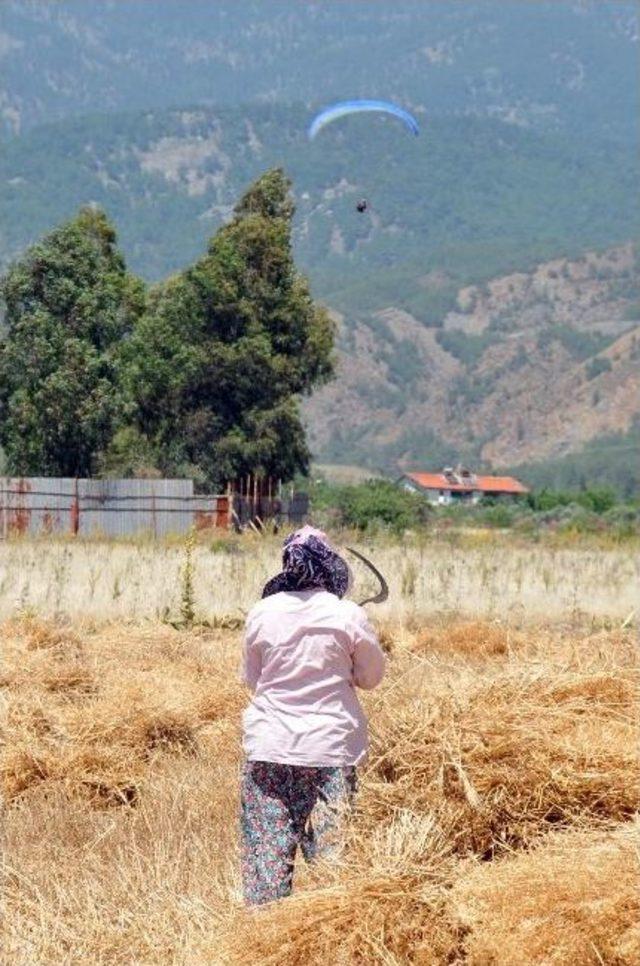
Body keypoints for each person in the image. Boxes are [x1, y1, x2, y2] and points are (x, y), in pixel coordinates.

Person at [240, 525, 386, 906]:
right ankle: (324, 939)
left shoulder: (262, 613)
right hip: (331, 752)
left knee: (266, 864)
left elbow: (253, 679)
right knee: (331, 862)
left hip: (271, 748)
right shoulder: (348, 616)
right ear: (328, 568)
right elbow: (371, 678)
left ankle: (263, 943)